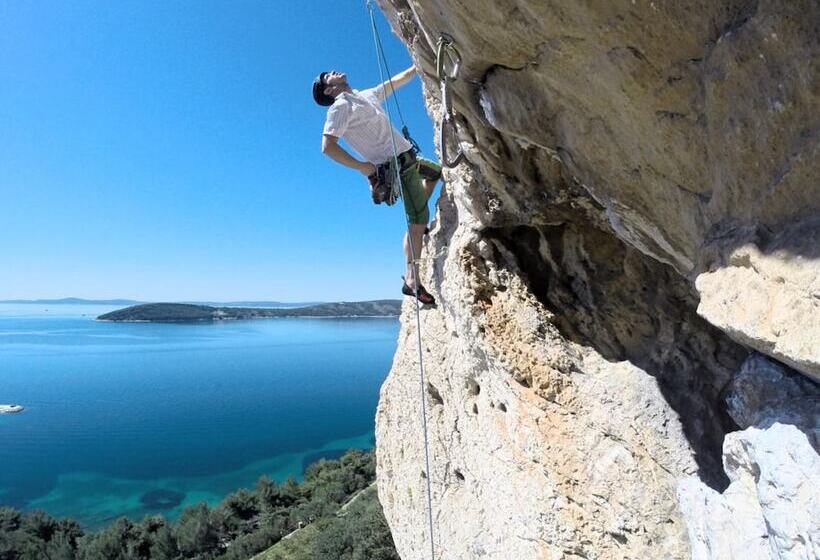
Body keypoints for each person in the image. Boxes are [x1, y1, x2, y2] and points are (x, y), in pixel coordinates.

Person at [313, 68, 441, 305]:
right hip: (397, 167)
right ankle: (412, 279)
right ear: (329, 90)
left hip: (409, 158)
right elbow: (327, 146)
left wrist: (418, 65)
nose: (332, 71)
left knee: (436, 173)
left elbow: (396, 81)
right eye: (327, 75)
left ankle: (417, 227)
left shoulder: (365, 95)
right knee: (418, 218)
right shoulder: (340, 107)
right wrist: (363, 167)